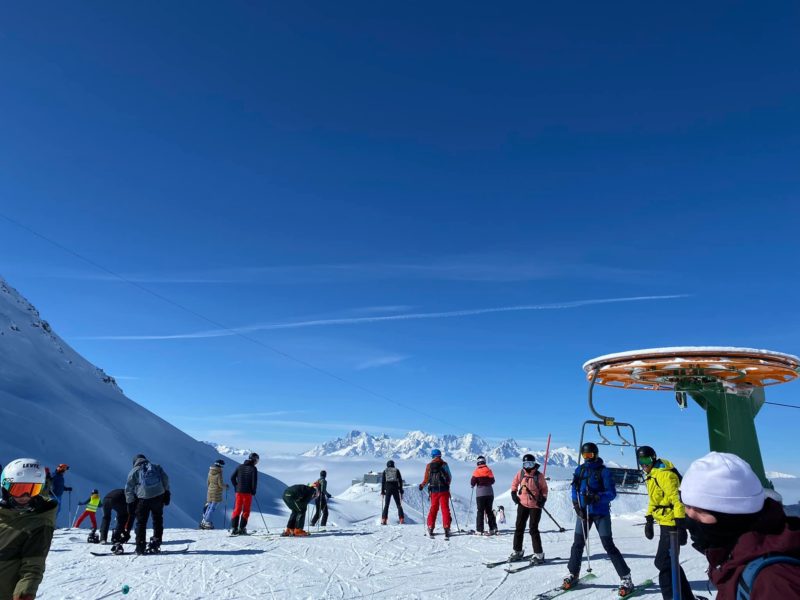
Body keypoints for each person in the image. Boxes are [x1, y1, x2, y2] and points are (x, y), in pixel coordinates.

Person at [681, 451, 800, 599]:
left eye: (701, 512)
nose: (689, 520)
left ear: (732, 517)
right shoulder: (735, 555)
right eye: (686, 507)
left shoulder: (774, 583)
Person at [563, 442, 634, 596]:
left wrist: (596, 497)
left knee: (608, 545)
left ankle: (626, 577)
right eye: (585, 455)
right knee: (578, 544)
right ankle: (573, 573)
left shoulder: (604, 472)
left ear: (596, 454)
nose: (587, 458)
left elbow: (612, 493)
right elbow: (574, 489)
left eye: (590, 455)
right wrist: (576, 505)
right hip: (583, 512)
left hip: (600, 513)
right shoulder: (579, 470)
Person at [638, 445, 697, 600]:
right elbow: (654, 500)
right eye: (641, 461)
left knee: (663, 563)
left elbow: (677, 501)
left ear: (653, 458)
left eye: (647, 460)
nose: (644, 464)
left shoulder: (664, 475)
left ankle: (671, 597)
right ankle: (686, 597)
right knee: (669, 563)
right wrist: (649, 519)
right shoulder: (652, 474)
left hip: (672, 525)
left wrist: (680, 525)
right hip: (665, 522)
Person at [0, 458, 58, 600]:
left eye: (33, 490)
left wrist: (24, 595)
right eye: (20, 489)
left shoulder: (39, 523)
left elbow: (32, 568)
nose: (25, 497)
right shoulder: (4, 512)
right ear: (5, 487)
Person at [125, 453, 170, 555]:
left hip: (143, 499)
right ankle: (156, 542)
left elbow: (128, 488)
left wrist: (130, 503)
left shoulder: (134, 471)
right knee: (157, 519)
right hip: (159, 496)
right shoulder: (156, 466)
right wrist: (167, 492)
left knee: (141, 523)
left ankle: (140, 546)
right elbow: (165, 479)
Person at [509, 455, 548, 562]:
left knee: (533, 529)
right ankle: (518, 551)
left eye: (530, 464)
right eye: (525, 464)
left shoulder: (539, 476)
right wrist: (513, 493)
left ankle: (539, 554)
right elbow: (514, 483)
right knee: (519, 527)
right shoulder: (521, 473)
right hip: (522, 503)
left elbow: (544, 489)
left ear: (534, 464)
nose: (527, 466)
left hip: (535, 505)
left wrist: (543, 500)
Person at [418, 448, 453, 538]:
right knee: (445, 509)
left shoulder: (429, 466)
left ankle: (430, 527)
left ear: (432, 456)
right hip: (444, 490)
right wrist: (447, 485)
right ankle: (446, 528)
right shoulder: (444, 464)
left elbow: (426, 479)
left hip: (433, 491)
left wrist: (422, 485)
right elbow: (449, 477)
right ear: (440, 455)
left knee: (433, 509)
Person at [230, 453, 259, 535]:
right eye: (257, 460)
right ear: (254, 460)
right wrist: (253, 491)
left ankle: (234, 529)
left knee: (237, 509)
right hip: (248, 492)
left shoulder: (239, 467)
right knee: (246, 510)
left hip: (238, 492)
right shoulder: (253, 469)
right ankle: (242, 528)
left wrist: (236, 486)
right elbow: (254, 481)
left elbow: (232, 477)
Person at [471, 455, 498, 536]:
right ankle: (492, 528)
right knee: (489, 511)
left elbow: (472, 482)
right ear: (484, 461)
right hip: (489, 493)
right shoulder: (489, 470)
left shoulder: (476, 472)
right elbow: (493, 481)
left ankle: (479, 530)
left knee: (480, 511)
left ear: (478, 462)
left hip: (480, 494)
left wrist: (475, 484)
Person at [201, 459, 228, 530]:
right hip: (216, 493)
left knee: (209, 506)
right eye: (222, 466)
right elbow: (220, 484)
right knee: (212, 508)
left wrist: (211, 488)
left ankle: (204, 521)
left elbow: (208, 482)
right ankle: (207, 521)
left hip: (210, 492)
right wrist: (226, 486)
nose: (223, 468)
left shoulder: (210, 472)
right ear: (220, 465)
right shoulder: (219, 473)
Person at [381, 460, 405, 525]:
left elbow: (383, 482)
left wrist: (382, 491)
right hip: (395, 488)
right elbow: (400, 481)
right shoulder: (396, 470)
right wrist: (401, 490)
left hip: (388, 489)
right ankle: (401, 519)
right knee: (398, 505)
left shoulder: (385, 471)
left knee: (386, 505)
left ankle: (384, 520)